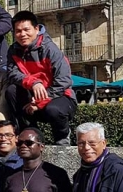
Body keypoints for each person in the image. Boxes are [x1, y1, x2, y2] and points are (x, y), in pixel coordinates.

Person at [6, 10, 77, 145]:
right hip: (32, 99)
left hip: (60, 97)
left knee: (53, 110)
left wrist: (39, 103)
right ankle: (30, 135)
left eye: (27, 30)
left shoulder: (50, 50)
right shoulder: (13, 50)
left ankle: (62, 138)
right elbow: (12, 73)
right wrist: (33, 82)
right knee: (11, 91)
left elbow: (64, 81)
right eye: (18, 31)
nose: (22, 34)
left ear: (37, 29)